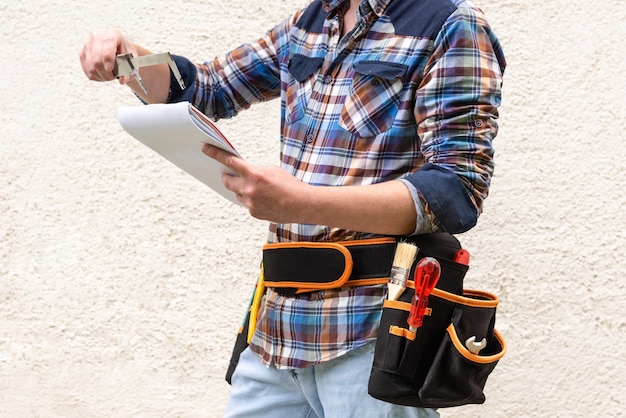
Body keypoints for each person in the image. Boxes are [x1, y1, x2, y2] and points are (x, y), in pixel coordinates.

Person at [80, 0, 505, 416]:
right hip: (275, 334)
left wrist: (300, 202)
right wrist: (128, 55)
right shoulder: (310, 22)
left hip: (371, 333)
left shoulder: (451, 23)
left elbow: (457, 190)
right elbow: (203, 89)